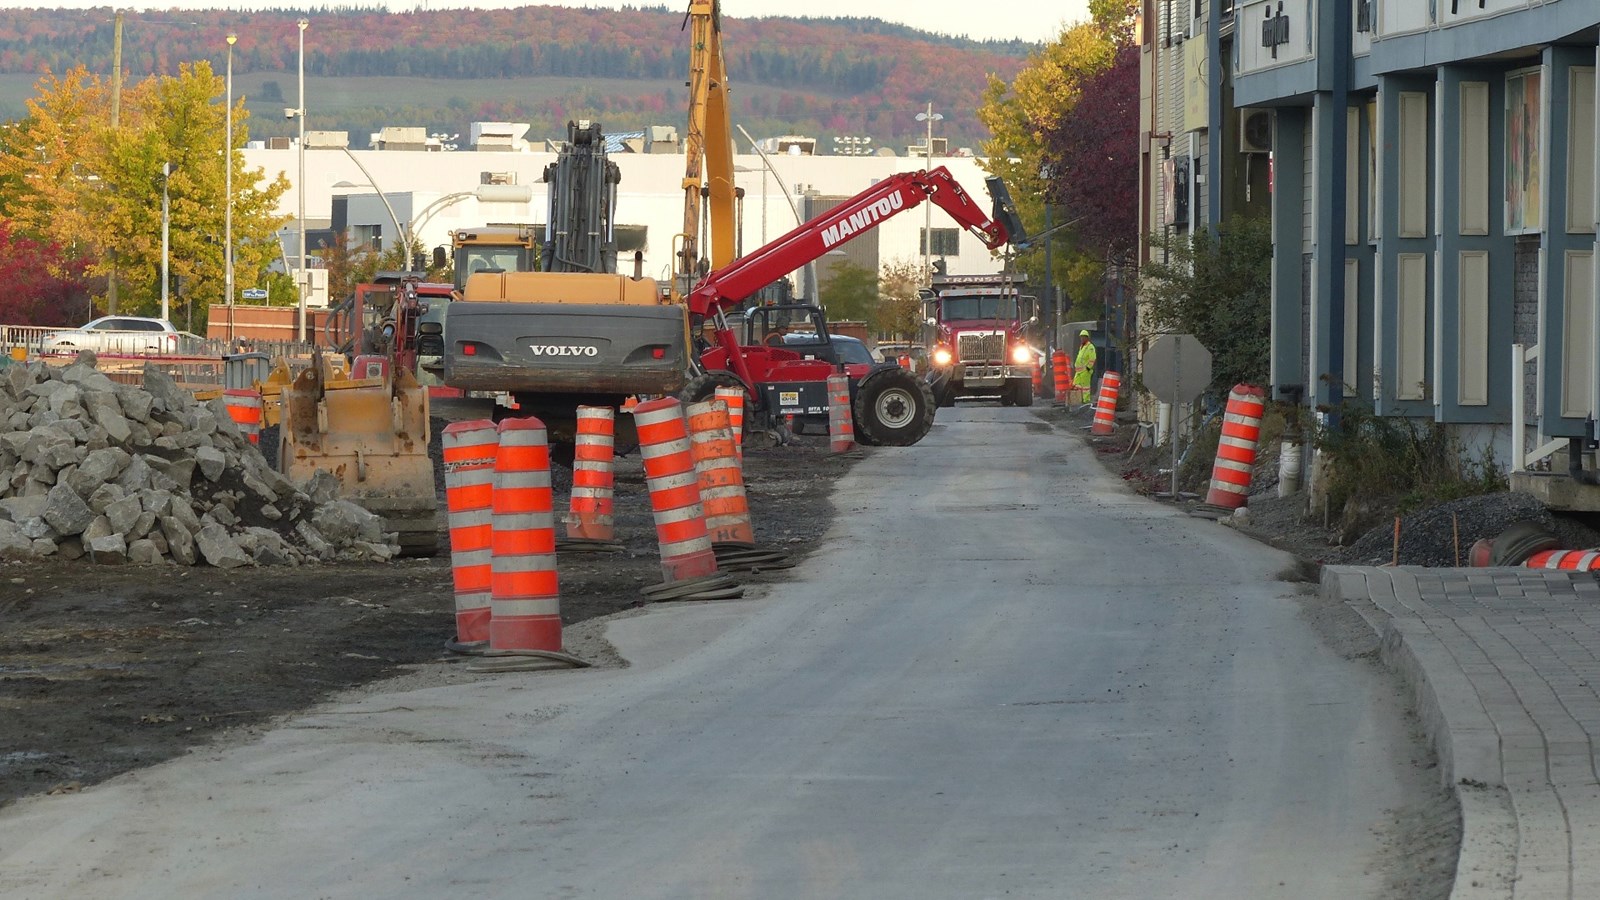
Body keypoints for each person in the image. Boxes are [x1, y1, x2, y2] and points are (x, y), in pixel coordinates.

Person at [1072, 329, 1096, 406]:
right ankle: (1079, 399)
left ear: (1087, 338)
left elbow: (1092, 358)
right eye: (1081, 337)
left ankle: (1086, 401)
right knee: (1076, 385)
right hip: (1079, 371)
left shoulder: (1090, 347)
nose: (1082, 339)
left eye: (1083, 337)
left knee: (1085, 387)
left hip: (1085, 371)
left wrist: (1088, 367)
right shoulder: (1082, 347)